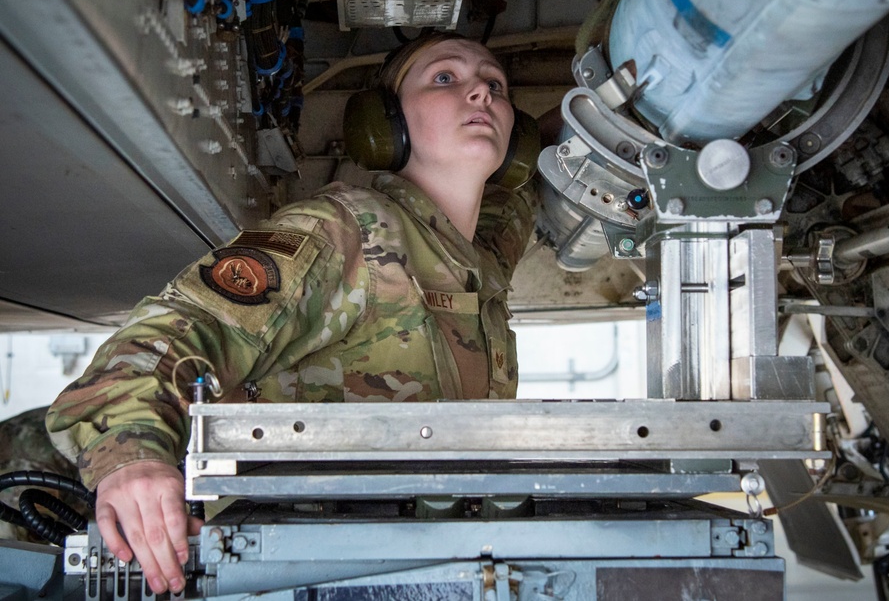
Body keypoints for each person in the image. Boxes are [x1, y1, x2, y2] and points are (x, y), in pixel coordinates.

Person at [44, 32, 538, 596]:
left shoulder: (482, 258)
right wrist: (130, 456)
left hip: (430, 571)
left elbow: (528, 188)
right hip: (303, 572)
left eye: (494, 85)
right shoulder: (344, 231)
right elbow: (176, 329)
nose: (480, 93)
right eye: (445, 78)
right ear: (386, 125)